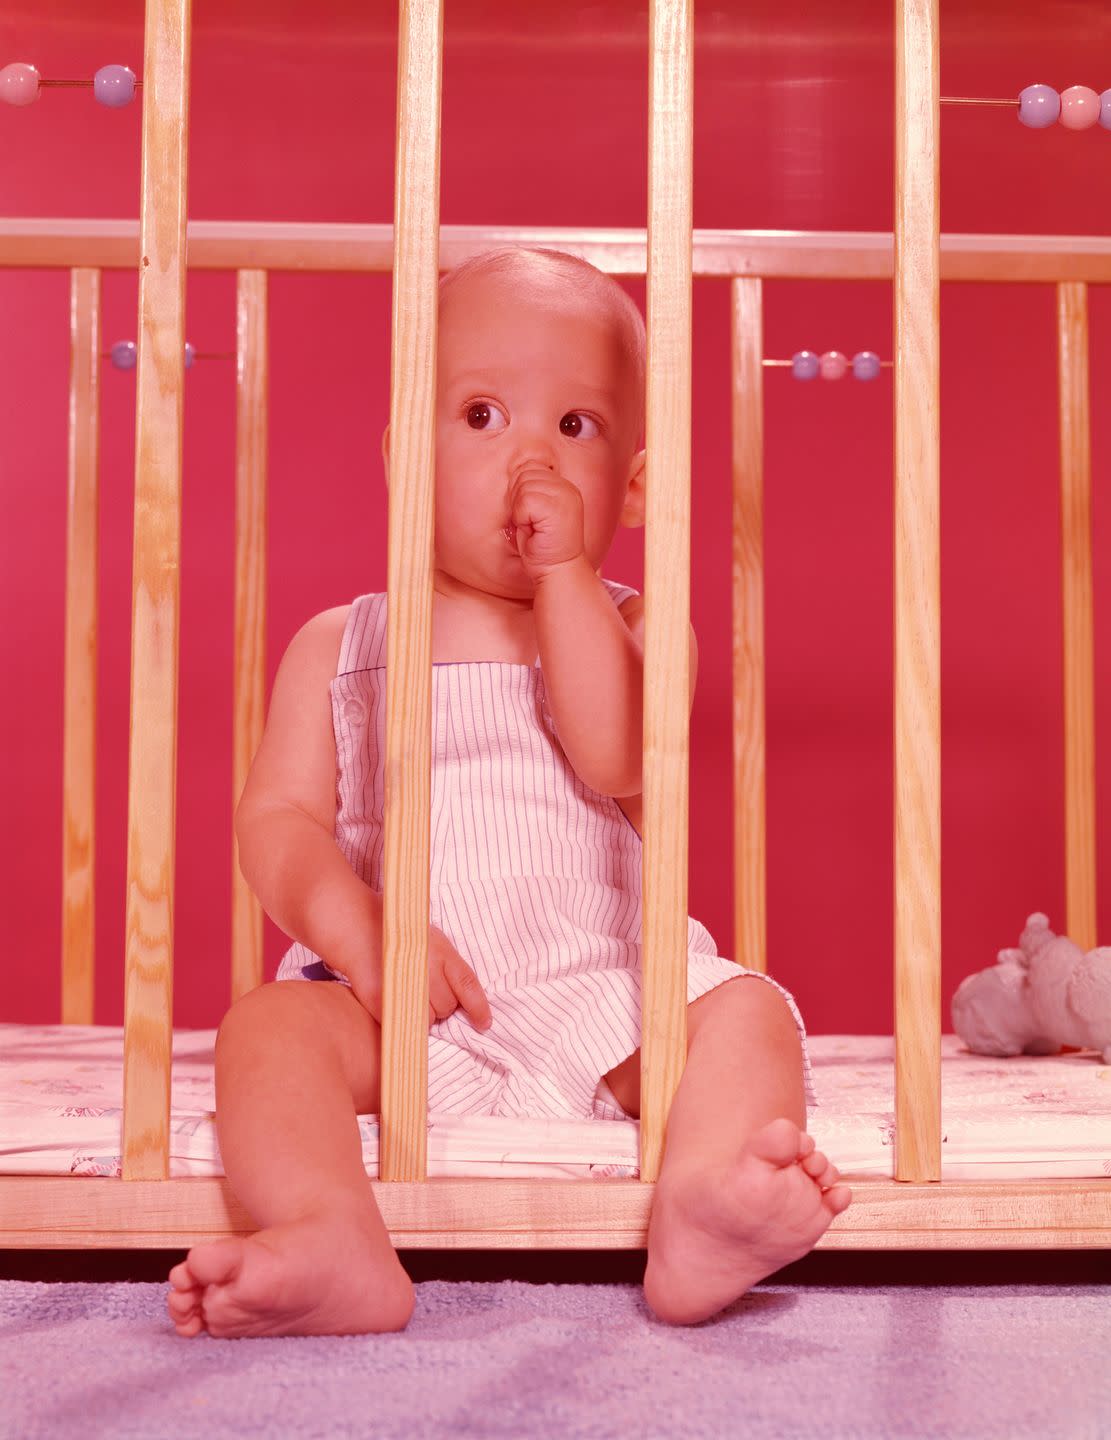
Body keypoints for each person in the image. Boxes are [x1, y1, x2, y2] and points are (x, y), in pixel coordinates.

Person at [166, 247, 852, 1339]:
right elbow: (279, 823)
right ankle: (329, 1233)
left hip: (607, 986)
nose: (528, 457)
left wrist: (568, 581)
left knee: (745, 1012)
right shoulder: (342, 644)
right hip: (405, 1002)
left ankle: (702, 1205)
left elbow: (615, 756)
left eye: (574, 428)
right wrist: (360, 928)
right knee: (264, 1033)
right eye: (481, 414)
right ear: (405, 457)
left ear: (630, 487)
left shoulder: (631, 625)